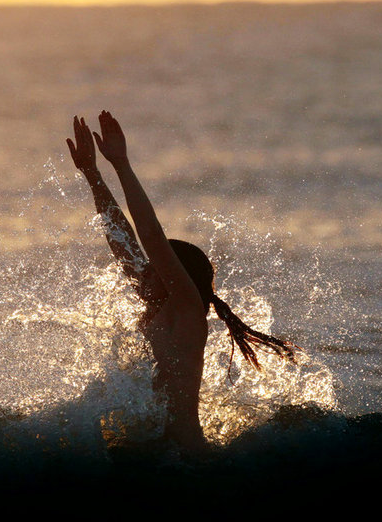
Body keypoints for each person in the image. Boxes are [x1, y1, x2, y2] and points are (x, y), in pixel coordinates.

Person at [67, 111, 299, 450]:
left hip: (186, 460)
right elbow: (121, 237)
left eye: (154, 268)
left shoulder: (186, 311)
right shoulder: (157, 306)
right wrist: (91, 174)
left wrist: (121, 165)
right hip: (152, 455)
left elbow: (149, 234)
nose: (142, 270)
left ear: (175, 278)